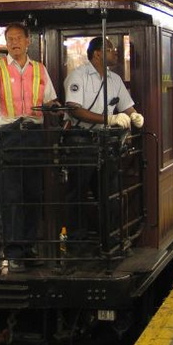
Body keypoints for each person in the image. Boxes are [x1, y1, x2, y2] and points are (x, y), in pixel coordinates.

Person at [0, 22, 60, 270]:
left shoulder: (39, 69)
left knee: (33, 193)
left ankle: (29, 246)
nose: (13, 43)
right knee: (12, 194)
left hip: (34, 134)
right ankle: (14, 251)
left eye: (18, 38)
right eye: (9, 39)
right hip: (9, 135)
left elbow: (50, 100)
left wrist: (57, 110)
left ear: (28, 41)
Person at [62, 37, 144, 238]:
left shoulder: (114, 79)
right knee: (78, 193)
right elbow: (74, 110)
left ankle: (111, 238)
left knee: (110, 193)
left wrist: (135, 115)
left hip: (105, 143)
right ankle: (77, 240)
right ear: (97, 53)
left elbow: (127, 105)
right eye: (110, 49)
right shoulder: (78, 76)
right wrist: (110, 118)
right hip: (81, 140)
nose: (115, 53)